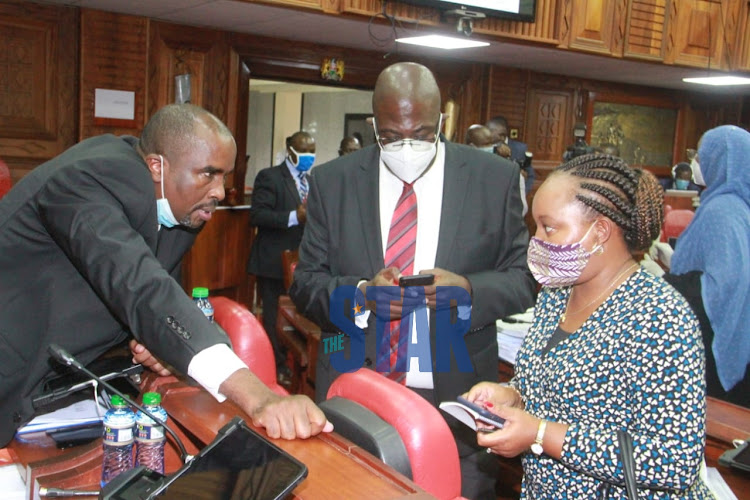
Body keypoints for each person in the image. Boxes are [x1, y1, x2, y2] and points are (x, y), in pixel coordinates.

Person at [0, 104, 330, 447]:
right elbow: (140, 288)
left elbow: (162, 307)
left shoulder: (178, 209)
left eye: (224, 177)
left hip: (48, 384)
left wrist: (155, 345)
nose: (219, 191)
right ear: (157, 166)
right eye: (208, 174)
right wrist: (259, 396)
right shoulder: (88, 177)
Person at [290, 62, 536, 499]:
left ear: (442, 121)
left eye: (422, 134)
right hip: (356, 391)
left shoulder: (493, 180)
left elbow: (523, 278)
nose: (407, 145)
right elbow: (306, 283)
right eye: (390, 135)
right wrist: (362, 296)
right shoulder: (333, 181)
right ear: (373, 126)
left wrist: (467, 291)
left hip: (457, 399)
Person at [464, 153, 711, 498]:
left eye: (549, 227)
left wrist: (540, 434)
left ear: (600, 232)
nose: (537, 240)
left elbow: (674, 460)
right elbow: (550, 387)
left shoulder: (659, 316)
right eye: (534, 226)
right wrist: (512, 395)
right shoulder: (557, 294)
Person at [667, 125, 750, 407]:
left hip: (713, 342)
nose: (695, 165)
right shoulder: (738, 204)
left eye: (701, 159)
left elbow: (724, 284)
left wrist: (666, 282)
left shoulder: (722, 209)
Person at [247, 131, 315, 381]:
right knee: (274, 317)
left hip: (302, 263)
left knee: (296, 318)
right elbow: (257, 216)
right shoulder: (270, 177)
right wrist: (294, 216)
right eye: (303, 151)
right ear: (290, 150)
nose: (309, 156)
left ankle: (293, 362)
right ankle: (274, 367)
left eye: (312, 151)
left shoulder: (311, 181)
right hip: (273, 261)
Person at [465, 124, 528, 216]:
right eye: (486, 144)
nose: (490, 147)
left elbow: (521, 209)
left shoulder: (507, 170)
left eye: (491, 143)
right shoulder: (461, 168)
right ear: (472, 146)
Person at [486, 115, 535, 194]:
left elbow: (530, 176)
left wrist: (521, 195)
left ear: (502, 135)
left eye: (488, 131)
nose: (486, 134)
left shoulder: (520, 149)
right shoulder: (484, 148)